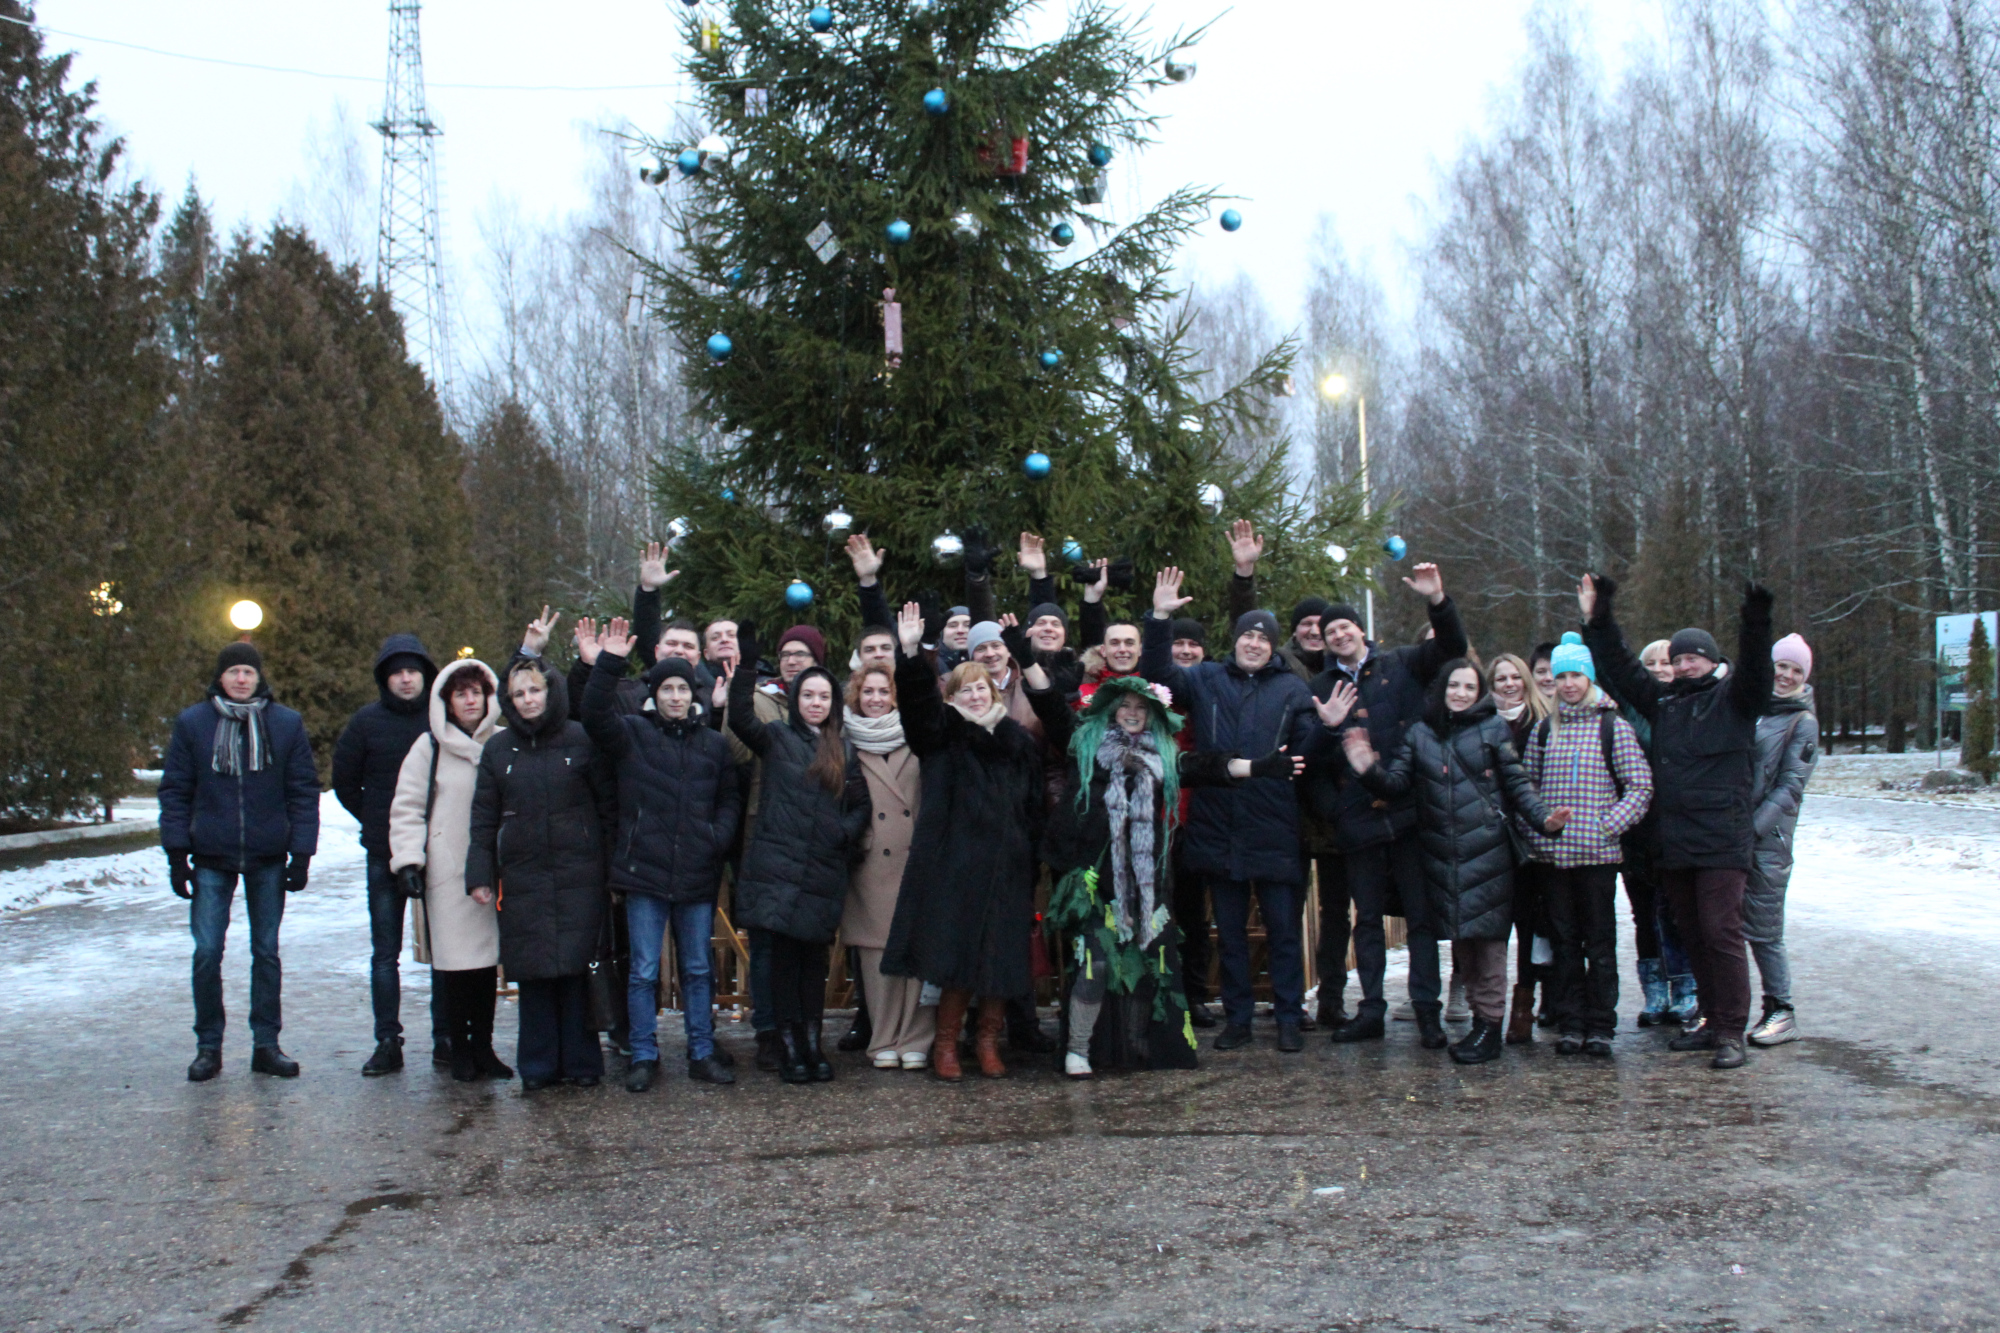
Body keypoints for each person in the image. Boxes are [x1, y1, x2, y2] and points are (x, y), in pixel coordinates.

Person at [1580, 574, 1774, 1070]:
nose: (1685, 665)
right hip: (1675, 843)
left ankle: (1732, 1030)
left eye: (1695, 658)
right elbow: (1620, 669)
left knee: (1721, 932)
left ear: (1713, 662)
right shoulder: (1663, 703)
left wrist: (1755, 616)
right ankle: (1710, 1020)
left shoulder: (1735, 699)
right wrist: (1601, 615)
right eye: (1679, 658)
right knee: (1691, 933)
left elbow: (1756, 669)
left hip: (1722, 842)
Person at [1339, 659, 1569, 1064]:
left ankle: (1489, 1028)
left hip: (1488, 853)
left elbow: (1517, 785)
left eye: (1469, 687)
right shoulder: (1420, 734)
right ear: (1442, 688)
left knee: (1490, 947)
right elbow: (1395, 785)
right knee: (1465, 946)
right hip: (1444, 857)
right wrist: (1366, 768)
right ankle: (1483, 1025)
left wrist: (1545, 821)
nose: (1461, 693)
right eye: (1455, 686)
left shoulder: (1493, 729)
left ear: (1479, 693)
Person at [1141, 567, 1319, 1053]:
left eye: (1264, 638)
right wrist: (1158, 618)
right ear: (1234, 640)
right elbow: (1160, 676)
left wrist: (1327, 727)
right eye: (1247, 636)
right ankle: (1237, 1019)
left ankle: (1286, 1016)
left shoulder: (1293, 690)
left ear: (1274, 647)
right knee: (1231, 935)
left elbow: (1308, 752)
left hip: (1274, 823)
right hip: (1218, 823)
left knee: (1283, 931)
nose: (1254, 644)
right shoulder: (1206, 678)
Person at [1301, 563, 1468, 1047]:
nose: (1337, 635)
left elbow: (1452, 649)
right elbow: (1309, 766)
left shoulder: (1401, 665)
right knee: (1366, 920)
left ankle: (1426, 1010)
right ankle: (1370, 1007)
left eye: (1344, 627)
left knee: (1419, 920)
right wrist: (1337, 809)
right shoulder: (1319, 689)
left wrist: (1437, 601)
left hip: (1410, 817)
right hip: (1357, 823)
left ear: (1360, 630)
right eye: (1329, 632)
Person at [883, 605, 1046, 1080]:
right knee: (956, 962)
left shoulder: (1017, 743)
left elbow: (1032, 809)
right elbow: (917, 707)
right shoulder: (941, 736)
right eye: (965, 689)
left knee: (1001, 962)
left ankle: (989, 1041)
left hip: (1009, 867)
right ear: (951, 696)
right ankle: (947, 1046)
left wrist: (1029, 858)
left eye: (982, 688)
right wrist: (911, 652)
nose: (975, 695)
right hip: (956, 868)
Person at [580, 618, 742, 1091]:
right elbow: (592, 714)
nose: (676, 697)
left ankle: (702, 1050)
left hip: (696, 870)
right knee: (644, 970)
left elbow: (729, 796)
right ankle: (644, 1055)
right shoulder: (632, 733)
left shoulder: (712, 745)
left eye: (683, 689)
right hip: (644, 871)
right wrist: (608, 663)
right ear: (655, 692)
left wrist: (717, 836)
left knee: (696, 968)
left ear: (694, 693)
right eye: (667, 688)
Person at [160, 642, 321, 1082]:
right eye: (233, 671)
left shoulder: (285, 724)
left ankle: (266, 1044)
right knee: (207, 952)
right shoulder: (195, 723)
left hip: (268, 856)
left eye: (249, 671)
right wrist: (177, 853)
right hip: (212, 855)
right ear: (221, 678)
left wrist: (301, 853)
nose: (242, 679)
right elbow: (175, 789)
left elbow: (303, 791)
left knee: (265, 952)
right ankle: (208, 1046)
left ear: (259, 677)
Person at [726, 629, 871, 1084]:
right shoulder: (775, 739)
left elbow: (862, 804)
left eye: (823, 696)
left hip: (822, 871)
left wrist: (842, 834)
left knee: (812, 967)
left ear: (833, 702)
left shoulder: (843, 748)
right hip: (777, 869)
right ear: (795, 698)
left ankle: (812, 1043)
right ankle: (788, 1045)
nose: (815, 702)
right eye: (807, 695)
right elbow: (740, 718)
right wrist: (746, 666)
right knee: (783, 964)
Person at [466, 651, 615, 1090]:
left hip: (578, 872)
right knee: (533, 976)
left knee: (574, 971)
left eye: (535, 690)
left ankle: (582, 1063)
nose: (529, 699)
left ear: (550, 692)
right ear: (509, 700)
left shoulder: (580, 739)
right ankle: (538, 1066)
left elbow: (607, 807)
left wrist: (610, 868)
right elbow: (483, 816)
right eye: (519, 693)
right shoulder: (498, 749)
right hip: (523, 876)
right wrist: (479, 873)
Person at [1521, 634, 1654, 1056]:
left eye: (1576, 674)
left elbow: (1640, 786)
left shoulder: (1613, 726)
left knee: (1599, 942)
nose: (1568, 684)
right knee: (1563, 943)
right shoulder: (1544, 731)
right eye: (1561, 676)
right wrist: (1540, 831)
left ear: (1590, 677)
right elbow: (1528, 791)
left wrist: (1608, 826)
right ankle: (1571, 1021)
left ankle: (1601, 1023)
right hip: (1555, 859)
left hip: (1598, 858)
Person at [386, 658, 509, 1083]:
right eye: (461, 693)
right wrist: (408, 860)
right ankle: (458, 1047)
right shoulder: (429, 747)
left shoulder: (505, 741)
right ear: (448, 702)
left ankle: (485, 1047)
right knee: (456, 966)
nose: (470, 700)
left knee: (487, 964)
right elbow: (406, 807)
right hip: (447, 869)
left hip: (495, 868)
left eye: (477, 691)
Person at [718, 622, 825, 1071]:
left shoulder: (827, 704)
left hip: (816, 844)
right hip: (767, 835)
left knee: (806, 944)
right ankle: (768, 1030)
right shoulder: (763, 701)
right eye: (786, 654)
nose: (793, 660)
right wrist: (742, 680)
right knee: (765, 944)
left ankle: (804, 1032)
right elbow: (736, 745)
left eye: (802, 653)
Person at [331, 634, 441, 1075]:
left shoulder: (440, 719)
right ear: (385, 678)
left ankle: (447, 1036)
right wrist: (379, 817)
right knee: (385, 952)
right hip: (384, 850)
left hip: (439, 848)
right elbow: (344, 781)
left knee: (446, 950)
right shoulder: (365, 723)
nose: (406, 678)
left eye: (413, 670)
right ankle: (387, 1039)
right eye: (397, 672)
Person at [842, 657, 936, 1070]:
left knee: (917, 950)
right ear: (856, 697)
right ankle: (883, 1038)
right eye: (868, 692)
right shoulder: (843, 740)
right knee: (876, 957)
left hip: (915, 860)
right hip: (869, 865)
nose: (876, 699)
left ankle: (917, 1037)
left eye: (884, 691)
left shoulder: (915, 736)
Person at [1745, 633, 1818, 1047]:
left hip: (1768, 839)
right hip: (1735, 832)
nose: (1786, 675)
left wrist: (1753, 827)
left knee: (1765, 928)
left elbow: (1791, 787)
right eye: (1782, 666)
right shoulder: (1753, 707)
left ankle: (1781, 1009)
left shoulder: (1801, 722)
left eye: (1796, 670)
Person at [1489, 651, 1555, 1040]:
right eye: (1501, 679)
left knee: (1535, 926)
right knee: (1494, 927)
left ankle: (1526, 1005)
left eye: (1516, 677)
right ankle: (1489, 1006)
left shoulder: (1543, 722)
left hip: (1533, 838)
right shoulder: (1482, 723)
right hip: (1493, 839)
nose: (1510, 684)